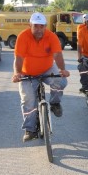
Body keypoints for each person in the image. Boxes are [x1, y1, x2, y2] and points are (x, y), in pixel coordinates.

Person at [12, 12, 70, 142]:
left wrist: (62, 70)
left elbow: (58, 55)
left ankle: (55, 103)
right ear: (30, 25)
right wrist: (17, 73)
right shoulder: (23, 37)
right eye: (36, 26)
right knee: (28, 99)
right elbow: (19, 58)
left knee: (61, 81)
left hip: (47, 68)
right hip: (27, 72)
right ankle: (30, 129)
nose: (39, 29)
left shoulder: (51, 37)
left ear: (45, 26)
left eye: (42, 26)